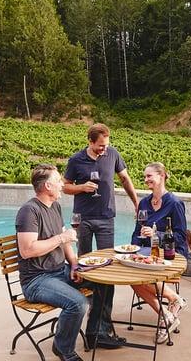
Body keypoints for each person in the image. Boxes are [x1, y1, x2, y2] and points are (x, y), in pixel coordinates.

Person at [16, 164, 119, 361]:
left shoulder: (54, 206)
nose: (62, 184)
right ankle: (64, 350)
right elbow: (27, 250)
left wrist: (73, 264)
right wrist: (62, 238)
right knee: (77, 303)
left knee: (102, 282)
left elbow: (65, 243)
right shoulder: (29, 211)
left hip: (60, 272)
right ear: (47, 186)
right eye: (58, 181)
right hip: (37, 280)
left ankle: (96, 333)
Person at [63, 123, 138, 349]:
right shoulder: (76, 160)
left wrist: (136, 202)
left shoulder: (113, 153)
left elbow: (125, 179)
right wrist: (81, 188)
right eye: (100, 146)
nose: (104, 149)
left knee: (107, 269)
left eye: (106, 145)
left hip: (106, 218)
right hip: (83, 219)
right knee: (85, 269)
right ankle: (89, 319)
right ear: (91, 141)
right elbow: (65, 187)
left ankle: (101, 326)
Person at [130, 162, 188, 344]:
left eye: (149, 176)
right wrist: (132, 251)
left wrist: (157, 234)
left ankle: (169, 311)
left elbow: (180, 236)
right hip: (147, 253)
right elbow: (136, 232)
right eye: (145, 176)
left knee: (138, 278)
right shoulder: (145, 203)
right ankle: (169, 309)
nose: (145, 179)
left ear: (161, 176)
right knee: (132, 277)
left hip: (170, 253)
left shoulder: (175, 203)